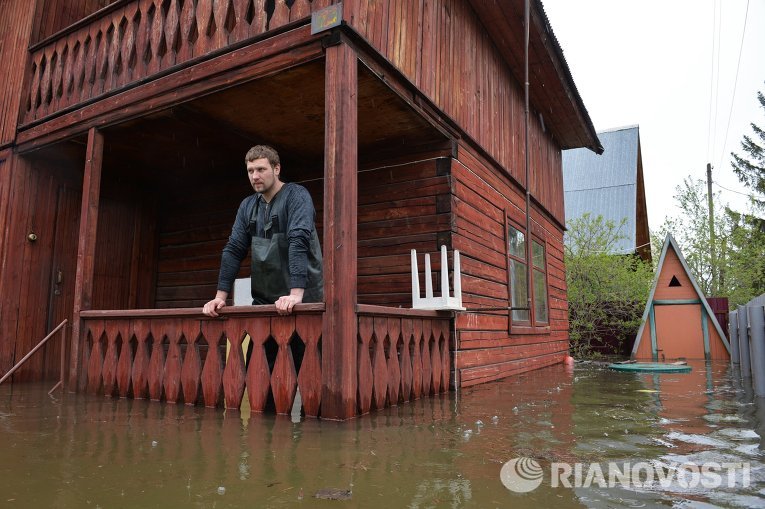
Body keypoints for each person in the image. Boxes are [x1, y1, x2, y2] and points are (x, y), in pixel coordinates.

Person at [203, 145, 323, 317]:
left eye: (261, 169)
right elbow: (234, 250)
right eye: (250, 171)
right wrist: (219, 297)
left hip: (302, 303)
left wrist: (295, 295)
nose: (255, 176)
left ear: (276, 168)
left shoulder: (296, 196)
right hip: (265, 303)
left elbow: (298, 241)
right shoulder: (247, 206)